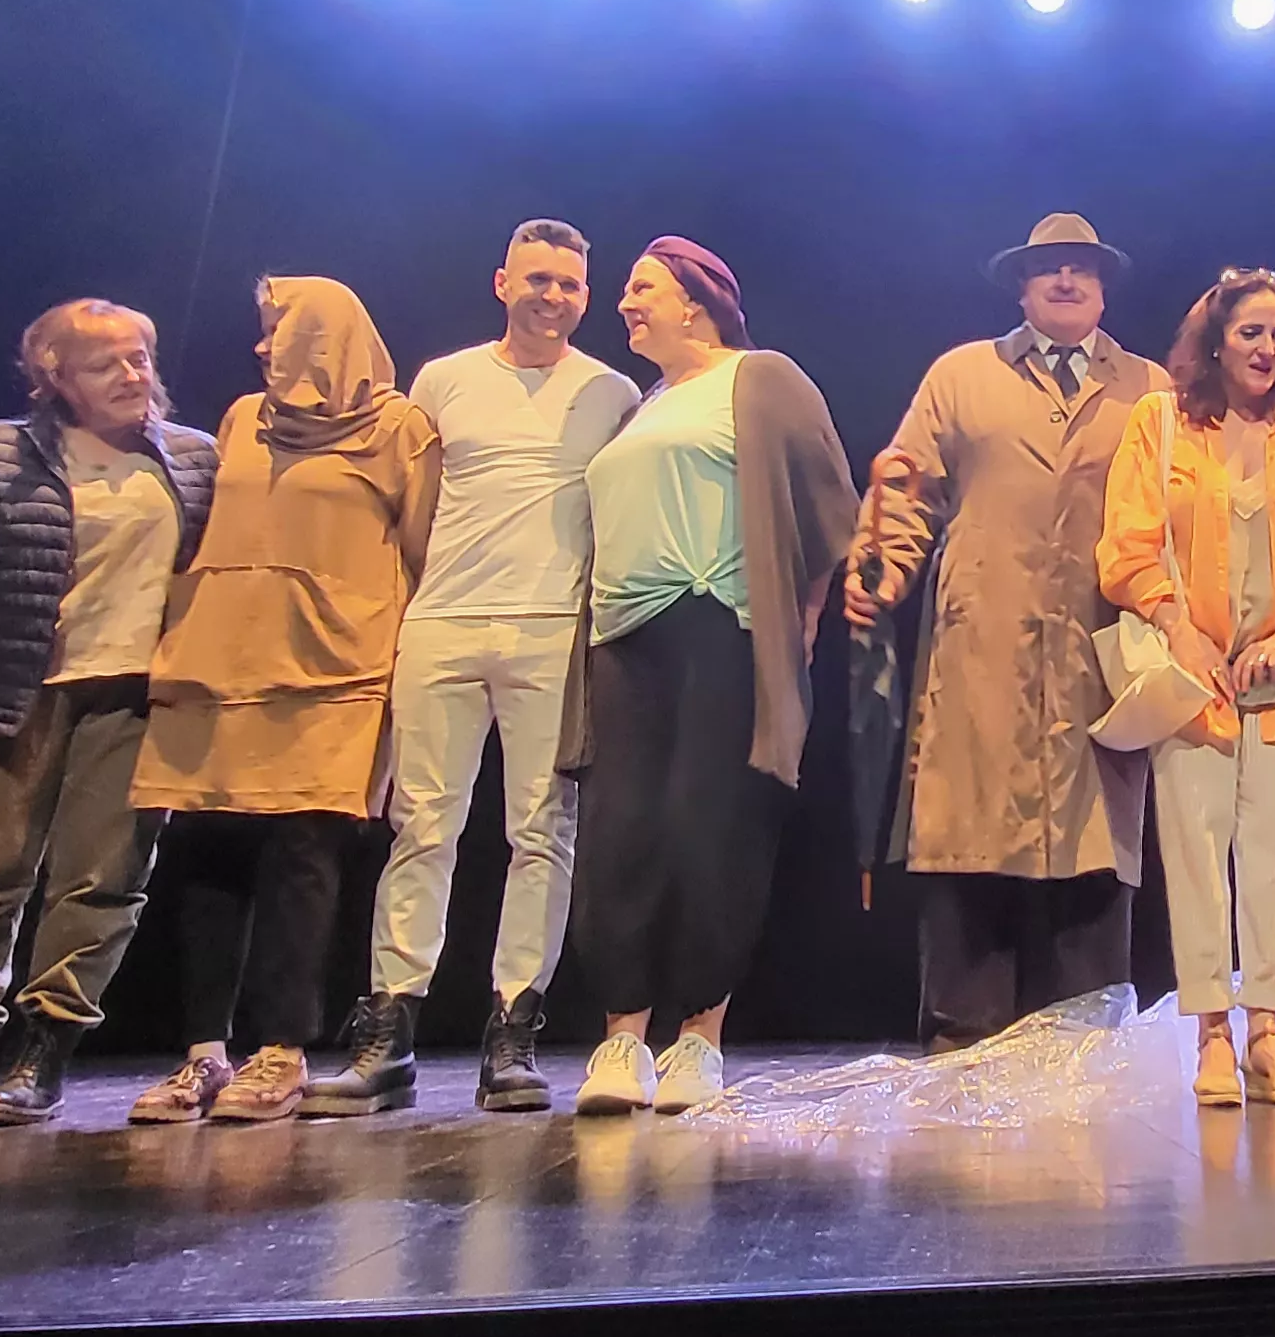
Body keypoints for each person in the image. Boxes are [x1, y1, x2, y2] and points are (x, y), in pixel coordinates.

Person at [307, 221, 638, 1116]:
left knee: (542, 830)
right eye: (537, 279)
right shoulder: (444, 380)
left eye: (569, 283)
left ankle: (513, 1032)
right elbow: (415, 506)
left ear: (586, 295)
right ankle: (390, 1031)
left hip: (549, 629)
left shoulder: (610, 392)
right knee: (422, 827)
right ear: (502, 283)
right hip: (444, 621)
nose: (552, 295)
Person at [0, 299, 217, 1130]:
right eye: (106, 362)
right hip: (16, 686)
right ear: (55, 376)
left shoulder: (193, 460)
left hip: (136, 697)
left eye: (141, 356)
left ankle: (45, 1049)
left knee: (103, 880)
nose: (131, 374)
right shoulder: (5, 454)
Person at [124, 277, 440, 1124]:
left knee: (304, 855)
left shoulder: (400, 428)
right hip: (224, 657)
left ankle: (282, 1049)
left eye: (281, 331)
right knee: (208, 851)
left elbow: (421, 552)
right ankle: (202, 1054)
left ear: (328, 336)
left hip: (335, 665)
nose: (264, 348)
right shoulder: (239, 419)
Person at [847, 214, 1165, 1051]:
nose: (1066, 280)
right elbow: (905, 485)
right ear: (1021, 286)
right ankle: (964, 1036)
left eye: (1082, 269)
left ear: (1103, 288)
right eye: (1049, 269)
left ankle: (1085, 1043)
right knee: (971, 833)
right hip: (985, 638)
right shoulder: (962, 375)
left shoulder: (1151, 389)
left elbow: (1186, 512)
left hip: (1100, 647)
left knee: (1096, 843)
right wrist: (880, 565)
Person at [562, 237, 859, 1115]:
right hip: (625, 637)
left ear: (695, 301)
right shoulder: (642, 404)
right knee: (620, 836)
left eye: (640, 288)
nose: (625, 304)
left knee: (709, 829)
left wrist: (799, 623)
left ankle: (698, 1041)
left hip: (719, 627)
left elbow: (827, 509)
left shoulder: (759, 378)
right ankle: (622, 1044)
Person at [1101, 268, 1275, 1108]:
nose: (1266, 347)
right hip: (1196, 679)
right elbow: (1127, 546)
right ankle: (1211, 1035)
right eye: (1251, 332)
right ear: (1216, 340)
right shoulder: (1162, 423)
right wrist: (1179, 626)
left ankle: (1265, 1033)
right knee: (1195, 856)